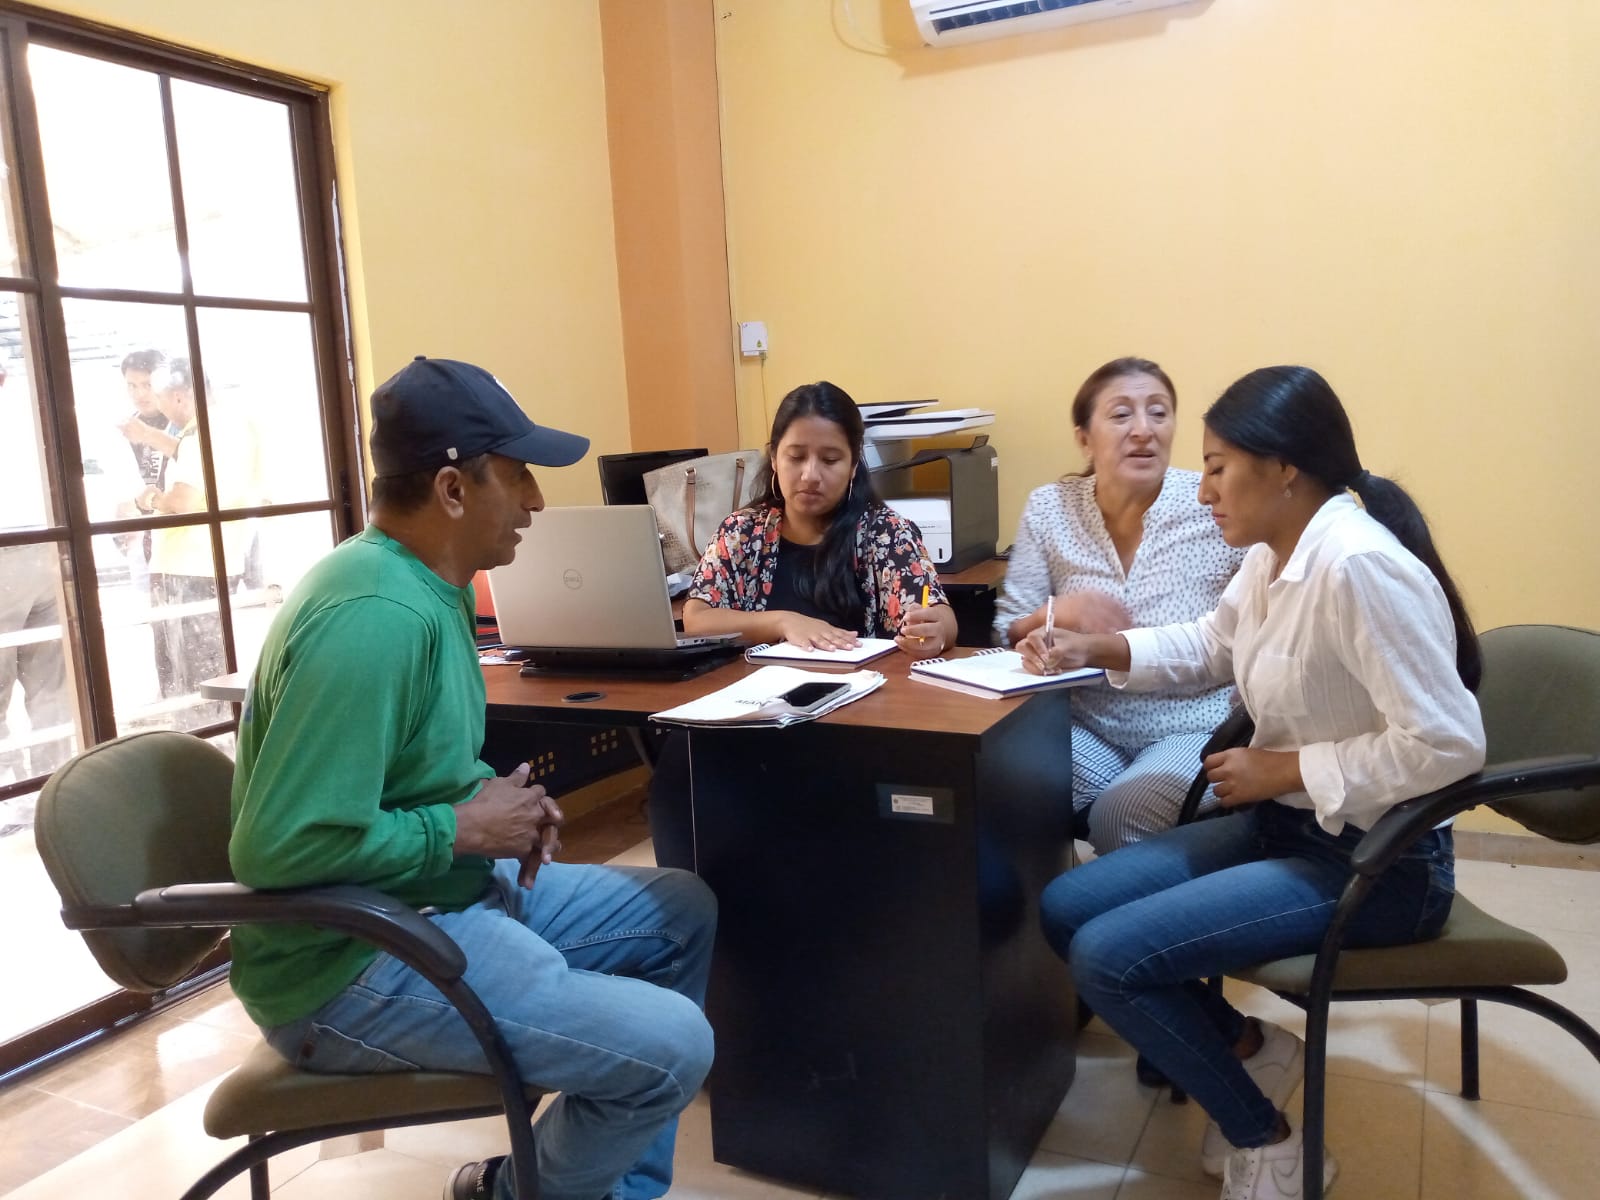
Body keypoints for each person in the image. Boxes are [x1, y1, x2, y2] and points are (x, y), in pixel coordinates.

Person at [230, 356, 715, 1200]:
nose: (535, 502)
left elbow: (410, 771)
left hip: (429, 899)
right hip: (348, 967)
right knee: (673, 1044)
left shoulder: (431, 585)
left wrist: (504, 808)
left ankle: (600, 1190)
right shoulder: (373, 618)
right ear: (453, 489)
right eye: (519, 475)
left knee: (679, 910)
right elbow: (276, 848)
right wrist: (462, 828)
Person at [1017, 365, 1485, 1200]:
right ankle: (1252, 1049)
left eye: (1218, 468)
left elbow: (1450, 745)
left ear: (1285, 469)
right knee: (1066, 906)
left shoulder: (1357, 568)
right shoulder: (1276, 556)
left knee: (1109, 958)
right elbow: (1210, 643)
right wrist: (1101, 647)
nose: (1203, 492)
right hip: (1292, 827)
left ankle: (1268, 1143)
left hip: (1380, 863)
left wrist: (1286, 768)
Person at [647, 380, 957, 868]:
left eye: (830, 459)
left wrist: (937, 629)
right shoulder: (744, 531)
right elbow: (697, 616)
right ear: (774, 458)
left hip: (851, 726)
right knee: (678, 779)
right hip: (747, 720)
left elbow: (938, 617)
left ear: (854, 464)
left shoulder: (885, 532)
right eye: (796, 457)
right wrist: (783, 621)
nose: (811, 475)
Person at [994, 357, 1246, 853]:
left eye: (1159, 412)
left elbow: (1250, 629)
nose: (1143, 430)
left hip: (1192, 725)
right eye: (1121, 414)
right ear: (1084, 438)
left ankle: (1134, 895)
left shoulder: (1213, 506)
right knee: (1000, 777)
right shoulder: (1051, 508)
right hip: (1088, 725)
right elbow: (1007, 632)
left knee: (1121, 814)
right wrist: (1054, 615)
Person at [138, 357, 261, 722]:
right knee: (215, 665)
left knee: (189, 675)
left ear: (179, 396)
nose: (159, 408)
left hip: (186, 566)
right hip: (222, 556)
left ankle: (200, 740)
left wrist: (150, 498)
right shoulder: (235, 425)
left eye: (160, 399)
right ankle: (221, 734)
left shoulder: (198, 435)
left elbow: (182, 501)